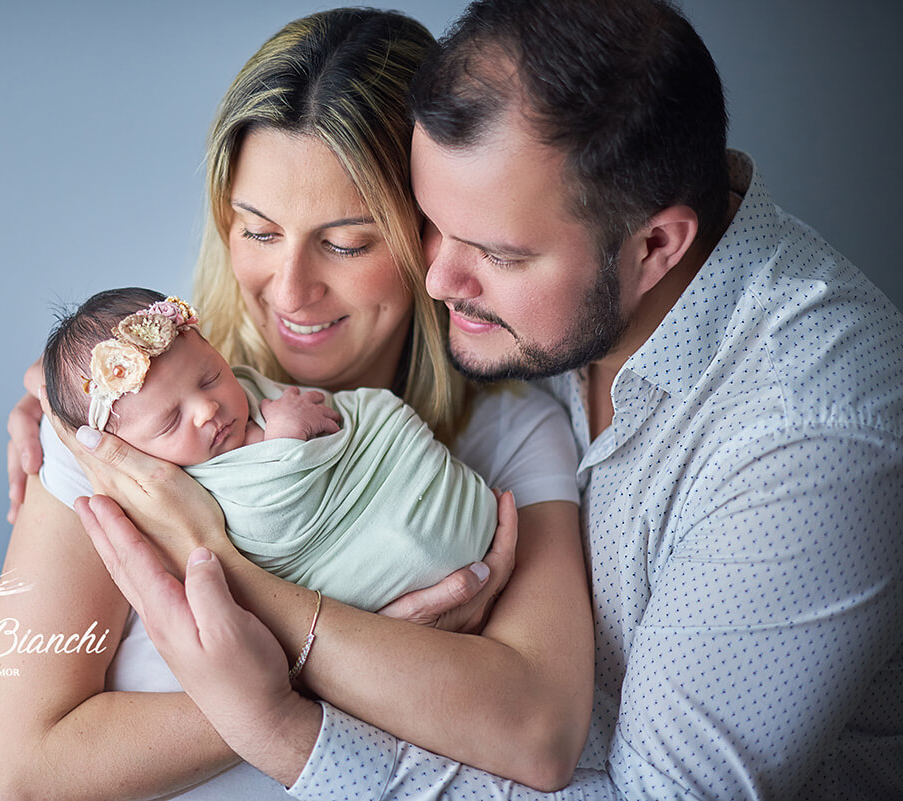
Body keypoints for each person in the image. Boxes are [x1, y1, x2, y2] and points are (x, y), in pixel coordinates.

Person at [77, 0, 903, 799]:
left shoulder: (810, 432)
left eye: (495, 254)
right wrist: (98, 387)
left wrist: (285, 724)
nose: (436, 280)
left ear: (655, 247)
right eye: (431, 223)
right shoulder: (549, 286)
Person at [0, 7, 592, 801]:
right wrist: (360, 664)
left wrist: (231, 573)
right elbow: (21, 773)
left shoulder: (511, 436)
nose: (293, 290)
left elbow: (539, 734)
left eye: (346, 242)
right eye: (258, 232)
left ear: (431, 231)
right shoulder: (121, 418)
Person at [43, 286, 498, 611]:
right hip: (361, 561)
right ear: (122, 451)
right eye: (170, 420)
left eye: (210, 377)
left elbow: (344, 418)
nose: (207, 409)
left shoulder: (243, 390)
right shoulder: (167, 488)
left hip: (401, 478)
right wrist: (283, 438)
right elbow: (265, 522)